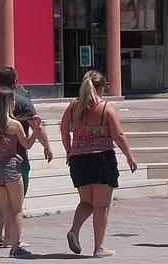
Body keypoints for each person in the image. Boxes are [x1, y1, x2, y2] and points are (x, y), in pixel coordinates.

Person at [60, 70, 137, 258]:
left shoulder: (73, 106)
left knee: (86, 202)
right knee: (101, 205)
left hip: (79, 160)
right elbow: (118, 135)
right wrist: (130, 156)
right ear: (101, 88)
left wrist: (69, 150)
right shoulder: (105, 108)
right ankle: (99, 247)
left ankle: (74, 229)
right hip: (102, 159)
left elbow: (63, 129)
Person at [0, 67, 53, 248]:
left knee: (2, 206)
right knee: (16, 205)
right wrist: (47, 147)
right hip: (16, 161)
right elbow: (35, 130)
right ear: (16, 82)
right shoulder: (23, 105)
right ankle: (12, 240)